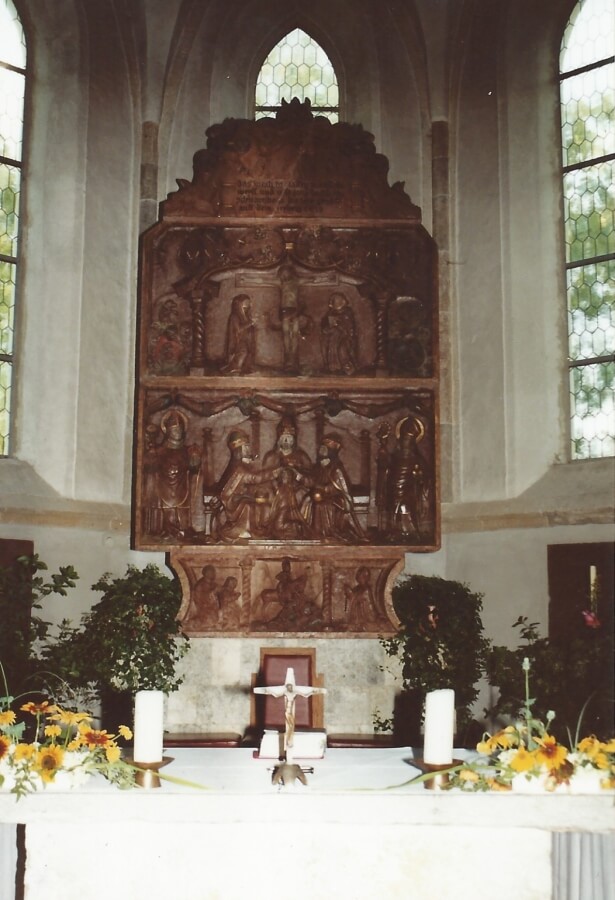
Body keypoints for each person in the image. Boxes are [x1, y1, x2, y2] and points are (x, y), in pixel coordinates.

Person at [143, 410, 201, 539]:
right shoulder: (158, 451)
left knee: (183, 508)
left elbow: (194, 468)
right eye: (174, 430)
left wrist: (195, 459)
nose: (178, 432)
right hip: (163, 485)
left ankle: (184, 528)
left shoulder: (188, 450)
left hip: (182, 485)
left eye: (179, 430)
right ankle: (167, 529)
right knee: (166, 508)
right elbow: (148, 467)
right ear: (167, 431)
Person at [212, 429, 275, 541]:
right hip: (233, 500)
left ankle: (255, 527)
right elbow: (254, 478)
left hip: (240, 496)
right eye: (245, 447)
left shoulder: (241, 464)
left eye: (248, 446)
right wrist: (273, 473)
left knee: (257, 502)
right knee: (248, 505)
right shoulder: (239, 468)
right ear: (238, 450)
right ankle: (243, 529)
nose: (248, 449)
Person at [300, 434, 365, 541]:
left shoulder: (336, 467)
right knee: (307, 499)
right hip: (320, 495)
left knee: (321, 505)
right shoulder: (318, 467)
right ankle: (306, 531)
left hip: (336, 499)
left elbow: (340, 487)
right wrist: (301, 478)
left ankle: (326, 532)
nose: (322, 451)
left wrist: (324, 489)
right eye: (321, 448)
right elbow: (312, 480)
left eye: (325, 449)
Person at [320, 291, 358, 375]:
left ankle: (346, 368)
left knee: (341, 348)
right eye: (331, 301)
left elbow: (349, 327)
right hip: (332, 335)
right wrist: (327, 328)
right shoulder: (330, 313)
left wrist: (338, 325)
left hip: (345, 337)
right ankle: (331, 367)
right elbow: (324, 324)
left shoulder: (347, 312)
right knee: (326, 341)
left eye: (333, 301)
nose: (331, 304)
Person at [221, 293, 255, 374]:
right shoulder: (234, 316)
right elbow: (238, 329)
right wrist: (250, 323)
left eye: (248, 304)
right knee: (242, 352)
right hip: (238, 340)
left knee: (248, 353)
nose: (247, 306)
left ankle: (244, 368)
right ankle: (234, 367)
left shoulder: (246, 315)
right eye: (245, 304)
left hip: (245, 340)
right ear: (239, 304)